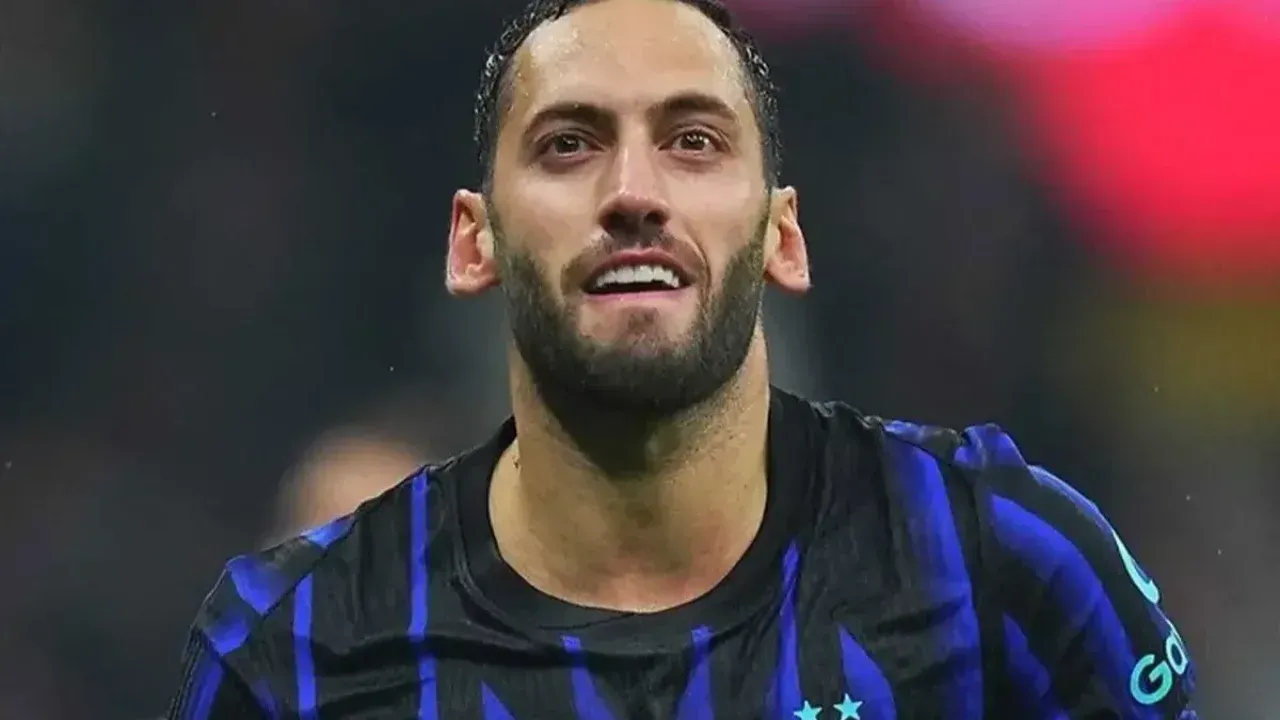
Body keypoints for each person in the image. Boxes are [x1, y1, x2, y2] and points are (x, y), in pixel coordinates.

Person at [165, 0, 1198, 717]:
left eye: (694, 141)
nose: (633, 192)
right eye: (568, 144)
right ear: (475, 241)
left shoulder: (1000, 561)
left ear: (783, 234)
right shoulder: (300, 634)